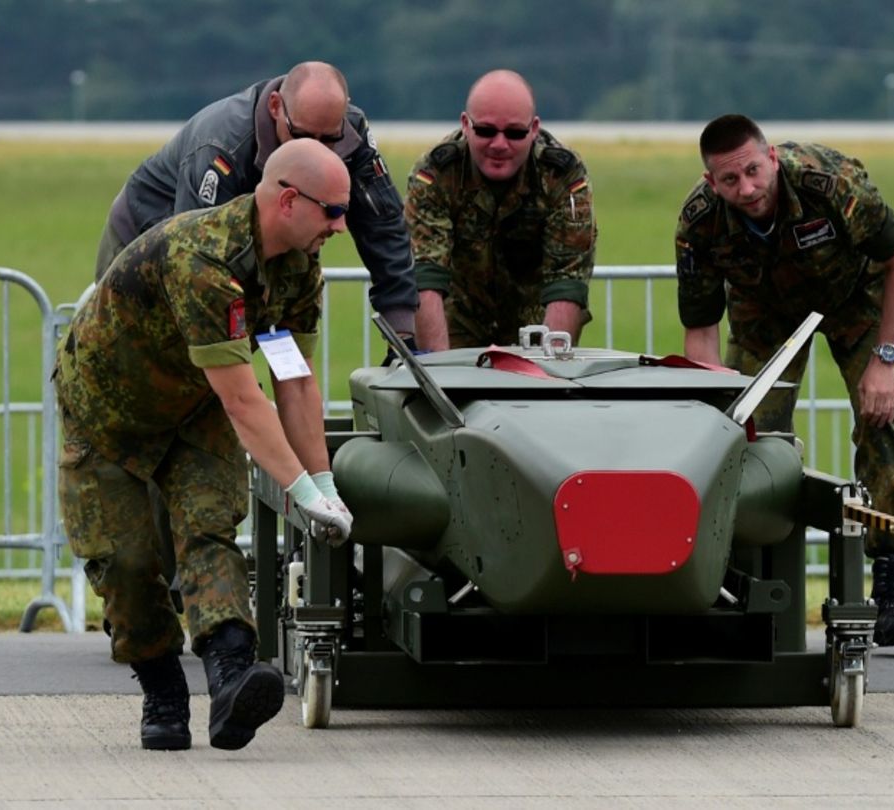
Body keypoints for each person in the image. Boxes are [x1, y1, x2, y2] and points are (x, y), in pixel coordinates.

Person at [56, 138, 355, 751]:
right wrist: (297, 491)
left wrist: (324, 487)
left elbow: (293, 379)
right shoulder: (203, 260)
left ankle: (231, 681)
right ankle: (163, 693)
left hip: (195, 409)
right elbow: (248, 403)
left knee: (209, 531)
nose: (342, 226)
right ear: (289, 201)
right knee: (129, 566)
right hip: (109, 414)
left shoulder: (300, 266)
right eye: (332, 211)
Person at [675, 114, 894, 647]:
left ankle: (889, 580)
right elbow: (701, 331)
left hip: (857, 298)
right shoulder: (699, 224)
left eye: (751, 172)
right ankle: (744, 573)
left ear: (771, 158)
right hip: (765, 313)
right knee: (743, 435)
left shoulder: (828, 181)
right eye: (729, 180)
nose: (745, 189)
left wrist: (884, 361)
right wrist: (714, 406)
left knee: (881, 419)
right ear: (709, 183)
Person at [96, 60, 418, 344]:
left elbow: (384, 223)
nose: (318, 150)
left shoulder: (350, 130)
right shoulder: (223, 145)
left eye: (330, 139)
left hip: (248, 243)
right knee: (157, 354)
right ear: (276, 107)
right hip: (149, 231)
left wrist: (403, 335)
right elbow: (194, 262)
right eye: (303, 136)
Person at [405, 69, 596, 350]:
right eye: (485, 131)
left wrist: (547, 374)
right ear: (466, 125)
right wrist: (437, 375)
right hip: (451, 323)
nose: (499, 144)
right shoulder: (437, 174)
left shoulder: (562, 176)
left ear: (533, 129)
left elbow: (566, 283)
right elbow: (425, 276)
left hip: (534, 329)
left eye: (515, 133)